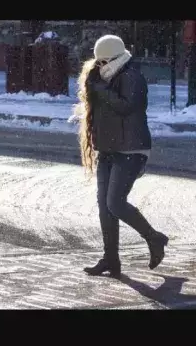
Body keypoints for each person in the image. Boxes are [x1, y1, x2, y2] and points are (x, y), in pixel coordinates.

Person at [72, 34, 169, 279]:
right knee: (104, 207)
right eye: (98, 63)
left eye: (103, 62)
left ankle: (154, 238)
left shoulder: (131, 76)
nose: (99, 67)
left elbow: (128, 106)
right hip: (108, 150)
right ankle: (111, 260)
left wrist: (101, 90)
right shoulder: (106, 78)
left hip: (131, 150)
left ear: (115, 58)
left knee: (115, 202)